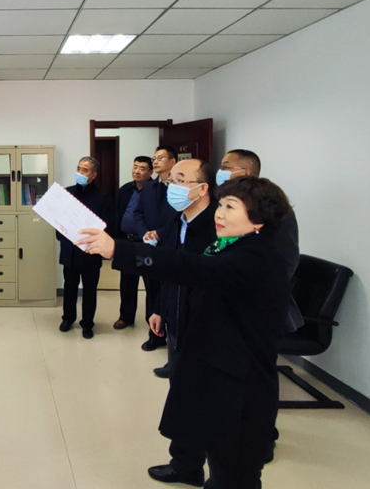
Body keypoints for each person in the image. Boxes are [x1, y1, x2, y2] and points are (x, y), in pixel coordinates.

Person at [77, 176, 292, 489]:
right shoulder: (230, 246)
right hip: (217, 375)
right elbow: (190, 271)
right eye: (220, 205)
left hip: (240, 389)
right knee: (219, 465)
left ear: (259, 219)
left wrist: (118, 250)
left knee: (235, 476)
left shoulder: (257, 259)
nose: (219, 213)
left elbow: (189, 267)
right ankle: (189, 468)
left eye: (230, 207)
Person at [217, 149, 303, 464]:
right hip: (232, 303)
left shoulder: (270, 208)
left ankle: (264, 439)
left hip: (260, 307)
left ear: (246, 172)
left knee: (257, 377)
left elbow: (286, 260)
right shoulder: (228, 208)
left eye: (227, 166)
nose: (221, 170)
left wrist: (262, 295)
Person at [149, 159, 217, 379]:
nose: (173, 187)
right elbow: (169, 271)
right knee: (178, 380)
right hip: (176, 320)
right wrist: (160, 309)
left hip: (207, 328)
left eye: (180, 181)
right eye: (171, 182)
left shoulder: (220, 227)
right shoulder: (177, 222)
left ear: (203, 188)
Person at [57, 156, 113, 339]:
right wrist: (63, 235)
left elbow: (107, 225)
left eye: (85, 170)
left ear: (94, 174)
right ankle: (68, 318)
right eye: (78, 169)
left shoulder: (103, 196)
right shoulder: (67, 193)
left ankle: (88, 323)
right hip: (70, 250)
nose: (80, 173)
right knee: (69, 287)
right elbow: (59, 221)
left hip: (91, 251)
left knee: (89, 290)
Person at [133, 146, 178, 350]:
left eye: (160, 158)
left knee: (170, 288)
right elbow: (138, 213)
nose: (156, 161)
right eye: (154, 158)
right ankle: (155, 335)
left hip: (171, 245)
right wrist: (144, 232)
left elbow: (181, 218)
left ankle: (174, 334)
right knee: (151, 288)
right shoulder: (149, 187)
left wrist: (160, 233)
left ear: (173, 162)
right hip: (147, 246)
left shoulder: (179, 188)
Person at [113, 156, 154, 330]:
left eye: (142, 168)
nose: (136, 171)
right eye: (135, 167)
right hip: (126, 241)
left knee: (151, 283)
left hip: (146, 243)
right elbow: (118, 213)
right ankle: (126, 317)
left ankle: (152, 319)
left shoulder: (155, 190)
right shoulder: (125, 189)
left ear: (150, 172)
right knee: (127, 282)